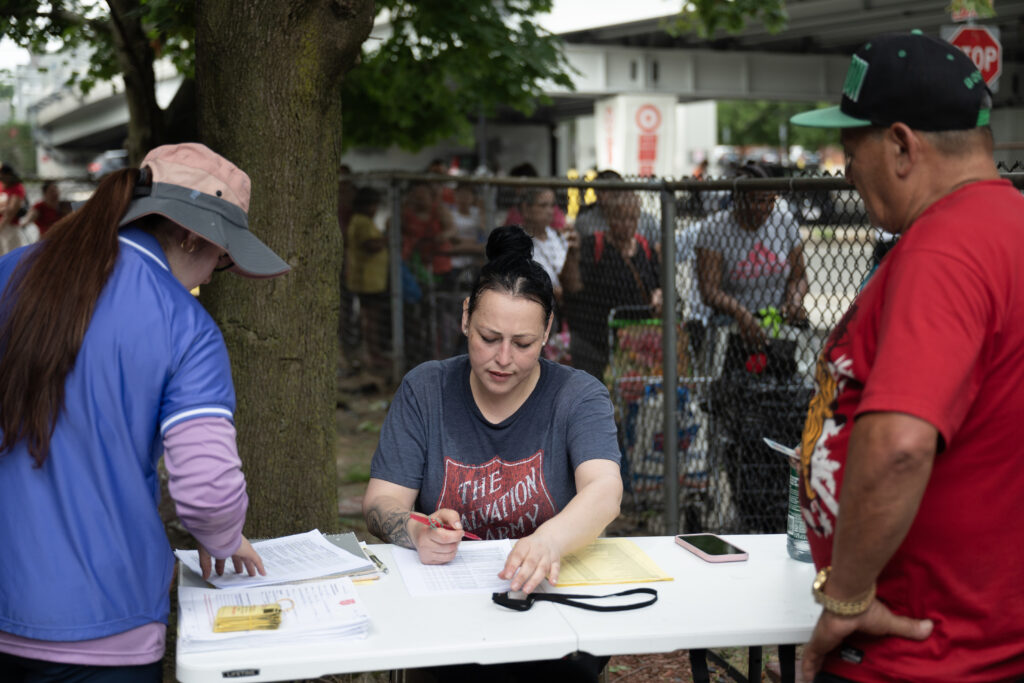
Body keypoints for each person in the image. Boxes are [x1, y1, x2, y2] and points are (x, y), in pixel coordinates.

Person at [0, 143, 290, 680]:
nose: (213, 272)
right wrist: (222, 537)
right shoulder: (186, 325)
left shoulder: (12, 273)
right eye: (223, 258)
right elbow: (206, 490)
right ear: (193, 234)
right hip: (106, 622)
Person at [789, 31, 1024, 682]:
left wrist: (847, 596)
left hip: (916, 650)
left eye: (850, 149)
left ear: (899, 145)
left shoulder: (943, 248)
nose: (845, 171)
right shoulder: (1008, 226)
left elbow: (898, 442)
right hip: (981, 632)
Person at [362, 225, 622, 682]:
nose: (503, 358)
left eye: (522, 344)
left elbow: (604, 490)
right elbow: (381, 500)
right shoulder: (426, 389)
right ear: (465, 318)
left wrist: (549, 541)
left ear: (547, 332)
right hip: (445, 624)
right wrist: (417, 532)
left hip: (548, 618)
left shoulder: (578, 395)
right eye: (488, 337)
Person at [694, 161, 808, 372]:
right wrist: (741, 314)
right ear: (738, 198)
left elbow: (799, 276)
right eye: (756, 200)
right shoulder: (714, 228)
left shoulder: (785, 223)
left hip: (777, 329)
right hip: (730, 329)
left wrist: (794, 299)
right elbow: (709, 290)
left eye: (770, 200)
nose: (764, 208)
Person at [562, 191, 662, 381]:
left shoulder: (644, 248)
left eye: (632, 218)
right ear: (608, 217)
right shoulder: (594, 246)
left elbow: (658, 284)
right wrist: (573, 255)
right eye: (621, 218)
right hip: (595, 341)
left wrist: (658, 295)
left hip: (634, 343)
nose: (627, 224)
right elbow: (572, 286)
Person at [346, 186, 390, 374]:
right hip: (367, 279)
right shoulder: (362, 222)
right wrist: (389, 235)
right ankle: (372, 354)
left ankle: (371, 352)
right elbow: (371, 245)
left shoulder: (361, 221)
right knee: (371, 319)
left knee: (370, 317)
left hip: (371, 278)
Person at [0, 163, 27, 254]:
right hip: (2, 226)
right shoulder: (1, 185)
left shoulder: (17, 188)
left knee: (10, 253)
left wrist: (1, 226)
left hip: (10, 226)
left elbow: (11, 211)